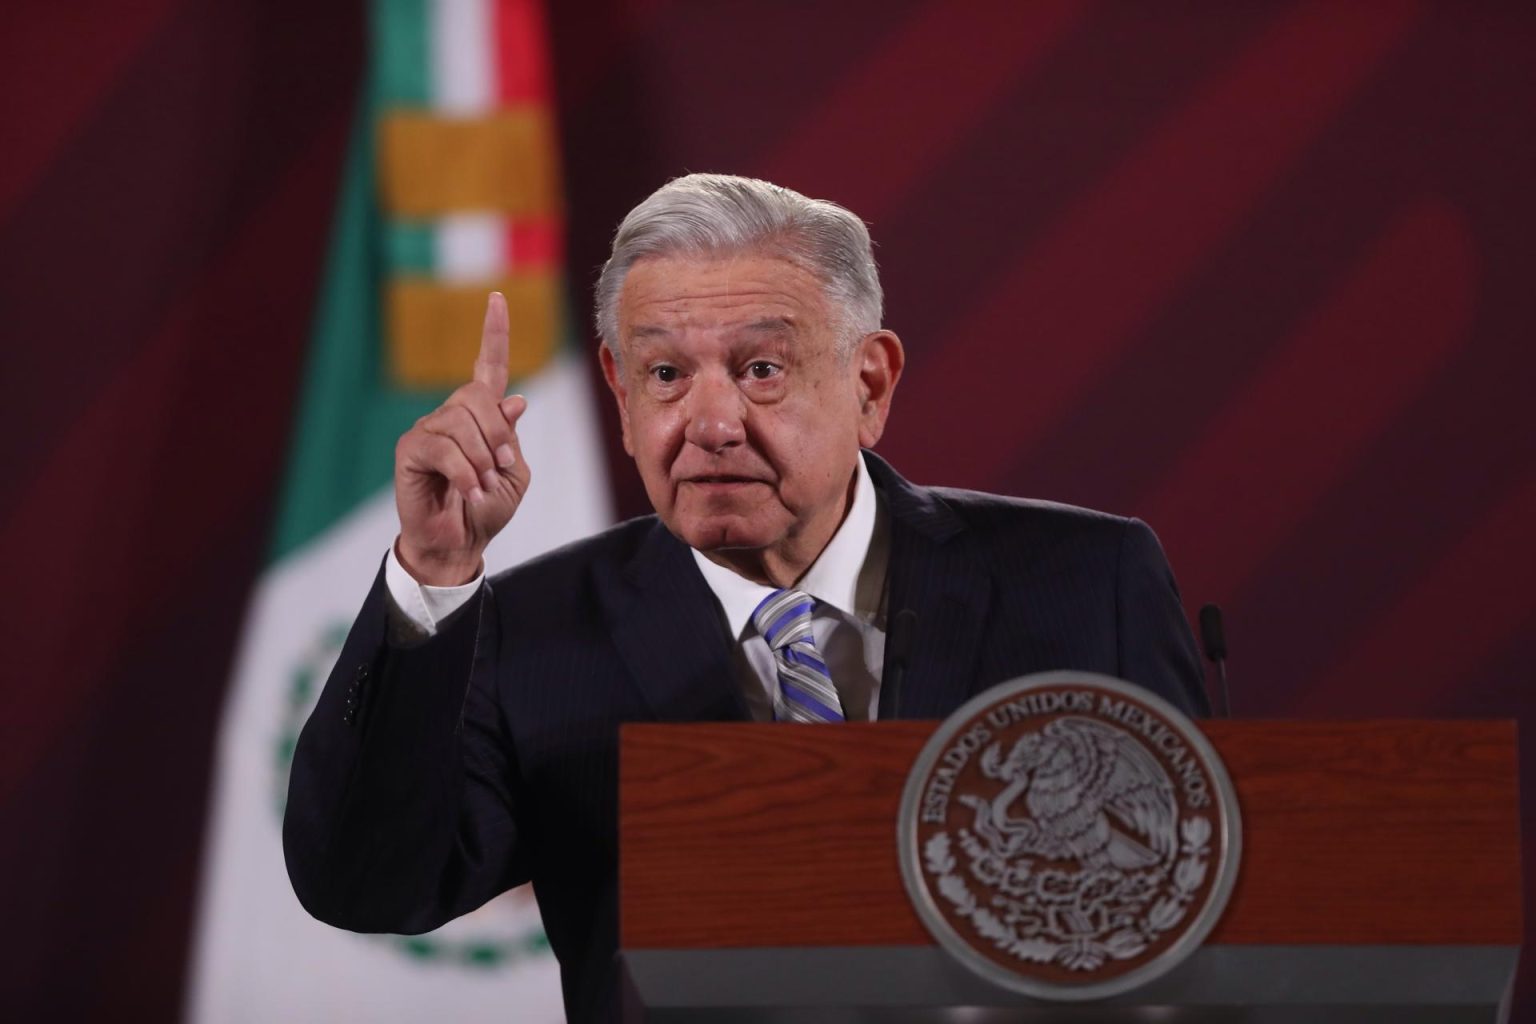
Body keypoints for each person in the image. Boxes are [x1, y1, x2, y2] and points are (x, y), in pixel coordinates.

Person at [283, 173, 1208, 1021]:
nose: (711, 422)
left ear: (870, 382)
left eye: (762, 369)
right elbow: (367, 884)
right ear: (619, 390)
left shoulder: (1087, 584)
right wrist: (433, 578)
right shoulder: (525, 633)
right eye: (666, 375)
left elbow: (1202, 907)